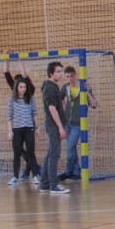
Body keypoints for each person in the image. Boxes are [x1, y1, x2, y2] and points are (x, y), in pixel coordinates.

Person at [59, 65, 98, 182]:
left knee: (70, 147)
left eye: (71, 76)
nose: (70, 79)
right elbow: (60, 98)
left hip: (78, 123)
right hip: (67, 122)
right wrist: (65, 109)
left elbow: (94, 104)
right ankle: (76, 172)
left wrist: (88, 92)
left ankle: (68, 172)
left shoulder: (83, 86)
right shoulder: (65, 87)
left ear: (75, 75)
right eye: (67, 77)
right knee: (71, 148)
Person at [3, 56, 37, 179]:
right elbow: (6, 74)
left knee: (30, 151)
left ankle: (31, 171)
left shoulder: (30, 90)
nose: (21, 88)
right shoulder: (14, 95)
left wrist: (18, 60)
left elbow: (25, 75)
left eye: (23, 85)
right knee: (19, 150)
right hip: (17, 127)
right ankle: (31, 169)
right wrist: (6, 59)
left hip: (28, 125)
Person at [39, 61, 70, 194]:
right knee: (54, 155)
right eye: (58, 71)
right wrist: (60, 127)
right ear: (51, 73)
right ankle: (53, 185)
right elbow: (52, 109)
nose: (60, 74)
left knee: (50, 154)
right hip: (53, 126)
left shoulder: (53, 86)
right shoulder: (49, 87)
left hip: (54, 125)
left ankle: (45, 183)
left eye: (61, 71)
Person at [6, 78, 40, 186]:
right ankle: (15, 176)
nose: (23, 89)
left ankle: (35, 176)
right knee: (17, 153)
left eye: (25, 87)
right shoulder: (11, 100)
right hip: (17, 130)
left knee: (31, 153)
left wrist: (37, 127)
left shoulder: (31, 99)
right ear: (16, 87)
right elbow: (9, 116)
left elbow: (34, 113)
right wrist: (10, 131)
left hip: (29, 128)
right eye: (21, 87)